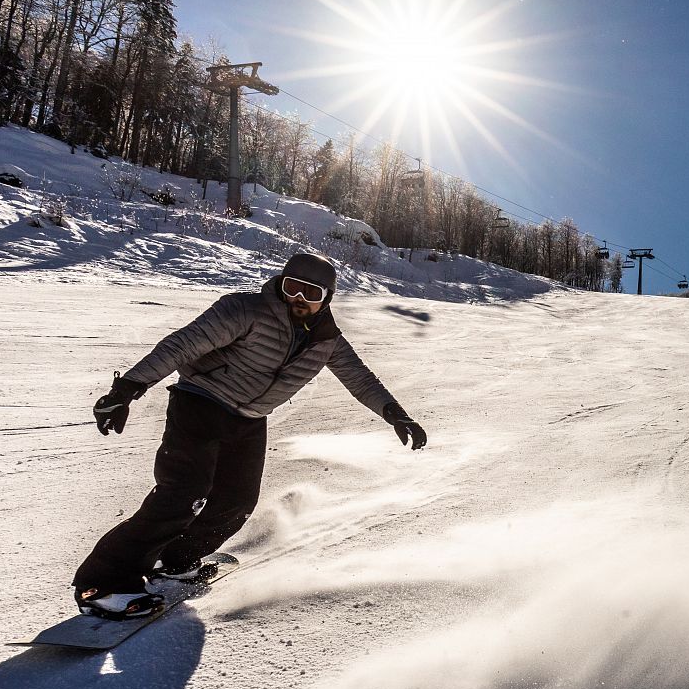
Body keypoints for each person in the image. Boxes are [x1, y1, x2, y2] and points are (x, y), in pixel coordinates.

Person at [72, 251, 427, 618]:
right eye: (293, 289)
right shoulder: (244, 310)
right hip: (201, 403)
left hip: (250, 419)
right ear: (280, 283)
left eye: (311, 294)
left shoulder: (328, 341)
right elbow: (183, 345)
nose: (300, 300)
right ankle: (103, 584)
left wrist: (395, 414)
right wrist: (128, 388)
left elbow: (361, 379)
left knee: (237, 503)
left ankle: (177, 561)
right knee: (182, 495)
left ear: (327, 298)